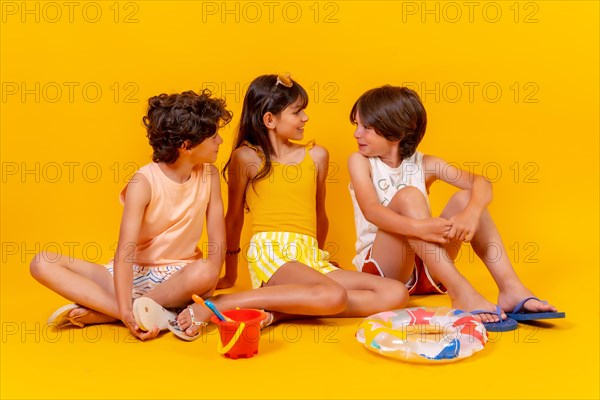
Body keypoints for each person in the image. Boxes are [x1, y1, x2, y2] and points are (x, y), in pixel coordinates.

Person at [172, 74, 408, 339]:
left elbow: (320, 213)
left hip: (308, 255)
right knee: (334, 294)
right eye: (297, 112)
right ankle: (217, 307)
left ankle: (276, 312)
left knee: (395, 293)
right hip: (270, 252)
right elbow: (234, 218)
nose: (305, 118)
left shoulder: (317, 156)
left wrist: (317, 258)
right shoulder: (247, 158)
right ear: (270, 119)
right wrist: (230, 273)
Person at [347, 85, 563, 331]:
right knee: (409, 196)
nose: (356, 134)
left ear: (395, 131)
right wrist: (418, 227)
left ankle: (511, 289)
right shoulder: (360, 162)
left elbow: (482, 183)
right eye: (356, 125)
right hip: (384, 270)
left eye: (365, 127)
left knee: (465, 198)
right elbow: (371, 210)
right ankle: (460, 291)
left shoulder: (425, 163)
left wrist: (471, 213)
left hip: (428, 268)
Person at [30, 89, 232, 340]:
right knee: (41, 263)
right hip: (132, 274)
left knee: (205, 271)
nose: (220, 141)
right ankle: (135, 312)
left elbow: (216, 244)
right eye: (213, 136)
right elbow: (124, 252)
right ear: (186, 145)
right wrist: (125, 308)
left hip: (180, 280)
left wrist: (211, 281)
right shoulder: (143, 182)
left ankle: (112, 310)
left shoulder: (210, 176)